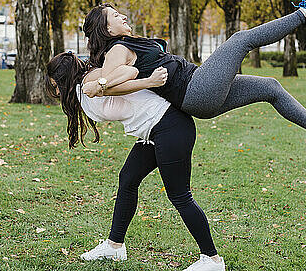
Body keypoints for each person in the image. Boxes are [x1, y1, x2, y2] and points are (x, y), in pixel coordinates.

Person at [82, 0, 306, 154]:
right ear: (106, 30)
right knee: (241, 39)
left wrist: (128, 81)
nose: (123, 17)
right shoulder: (117, 50)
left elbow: (115, 80)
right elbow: (106, 85)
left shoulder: (125, 45)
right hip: (196, 90)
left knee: (271, 87)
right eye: (116, 16)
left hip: (198, 92)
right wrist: (110, 84)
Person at [45, 52, 226, 271]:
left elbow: (129, 72)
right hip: (153, 131)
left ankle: (212, 259)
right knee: (128, 179)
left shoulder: (93, 79)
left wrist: (109, 84)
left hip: (170, 127)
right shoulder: (83, 87)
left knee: (179, 195)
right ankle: (115, 245)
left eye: (55, 85)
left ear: (63, 78)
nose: (55, 92)